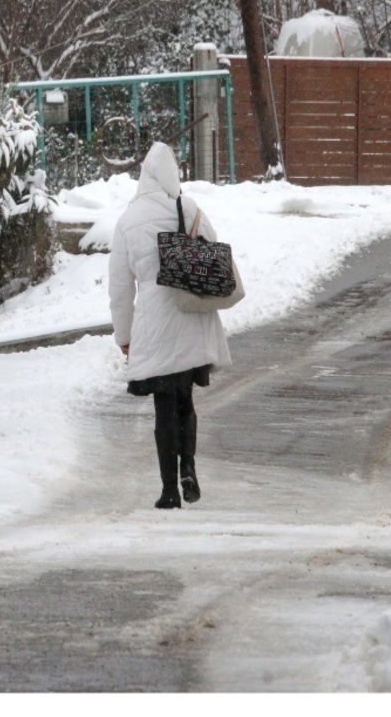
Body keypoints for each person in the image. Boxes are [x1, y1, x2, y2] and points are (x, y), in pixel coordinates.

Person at [108, 142, 232, 509]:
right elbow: (213, 252)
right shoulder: (189, 208)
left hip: (155, 322)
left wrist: (125, 336)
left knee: (164, 406)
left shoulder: (129, 220)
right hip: (191, 314)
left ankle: (168, 491)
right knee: (185, 400)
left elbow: (119, 288)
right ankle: (188, 466)